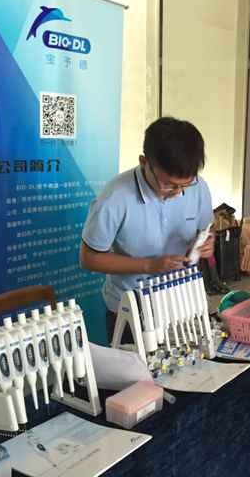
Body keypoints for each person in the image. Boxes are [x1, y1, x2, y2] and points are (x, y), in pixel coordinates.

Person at [80, 117, 215, 342]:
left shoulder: (198, 188)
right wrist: (149, 265)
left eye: (184, 185)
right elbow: (89, 258)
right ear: (144, 162)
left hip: (182, 302)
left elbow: (206, 229)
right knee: (136, 364)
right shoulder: (115, 198)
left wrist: (205, 243)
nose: (178, 192)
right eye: (168, 184)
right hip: (132, 310)